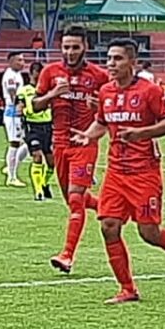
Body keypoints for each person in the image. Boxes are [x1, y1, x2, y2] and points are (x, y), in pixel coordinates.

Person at [69, 39, 165, 304]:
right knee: (108, 226)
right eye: (108, 59)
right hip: (116, 170)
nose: (110, 64)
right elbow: (101, 122)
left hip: (144, 172)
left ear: (133, 62)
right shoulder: (105, 91)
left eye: (117, 59)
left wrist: (141, 133)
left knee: (148, 233)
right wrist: (88, 136)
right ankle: (127, 288)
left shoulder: (150, 91)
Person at [33, 25, 110, 274]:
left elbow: (110, 109)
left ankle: (67, 255)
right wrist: (52, 94)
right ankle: (111, 208)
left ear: (85, 46)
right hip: (59, 144)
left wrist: (99, 105)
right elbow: (34, 106)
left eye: (75, 47)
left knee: (76, 198)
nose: (70, 51)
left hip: (85, 143)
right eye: (66, 47)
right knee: (73, 200)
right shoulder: (50, 72)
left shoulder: (98, 76)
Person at [17, 63, 54, 201]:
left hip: (48, 127)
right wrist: (24, 111)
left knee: (52, 162)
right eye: (38, 72)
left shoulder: (48, 90)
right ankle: (38, 192)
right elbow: (19, 108)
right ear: (31, 73)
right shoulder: (24, 90)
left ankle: (44, 183)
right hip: (33, 127)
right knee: (37, 156)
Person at [0, 52, 28, 188]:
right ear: (11, 61)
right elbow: (12, 94)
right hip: (12, 113)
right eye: (19, 60)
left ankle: (10, 166)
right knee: (15, 143)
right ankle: (11, 177)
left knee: (27, 142)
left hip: (17, 113)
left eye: (23, 60)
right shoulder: (10, 75)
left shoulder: (17, 75)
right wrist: (19, 108)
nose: (22, 63)